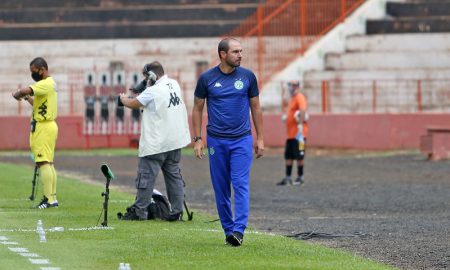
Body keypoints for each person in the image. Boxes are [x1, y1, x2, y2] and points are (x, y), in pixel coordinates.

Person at [192, 37, 264, 246]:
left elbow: (256, 108)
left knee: (240, 184)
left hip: (242, 140)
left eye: (241, 51)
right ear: (223, 54)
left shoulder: (248, 77)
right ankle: (228, 230)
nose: (240, 55)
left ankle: (239, 231)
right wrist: (197, 139)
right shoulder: (206, 79)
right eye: (235, 52)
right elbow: (197, 109)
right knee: (221, 187)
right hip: (216, 142)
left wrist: (260, 138)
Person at [118, 61, 191, 221]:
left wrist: (123, 99)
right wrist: (146, 83)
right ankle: (177, 211)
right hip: (174, 142)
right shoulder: (173, 84)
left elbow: (133, 103)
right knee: (174, 177)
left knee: (146, 177)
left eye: (146, 77)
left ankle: (139, 212)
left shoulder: (152, 91)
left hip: (157, 144)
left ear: (151, 75)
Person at [12, 57, 59, 209]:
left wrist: (18, 93)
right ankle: (52, 198)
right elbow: (38, 105)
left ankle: (48, 200)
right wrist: (26, 98)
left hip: (43, 127)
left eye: (34, 71)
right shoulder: (48, 85)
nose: (33, 74)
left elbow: (27, 89)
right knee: (48, 162)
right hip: (47, 125)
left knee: (42, 162)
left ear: (42, 69)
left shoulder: (45, 83)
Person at [277, 80, 309, 186]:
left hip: (299, 134)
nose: (292, 88)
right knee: (289, 156)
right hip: (290, 134)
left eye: (294, 85)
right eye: (290, 85)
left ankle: (300, 177)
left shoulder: (299, 97)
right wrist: (287, 117)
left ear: (298, 86)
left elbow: (302, 111)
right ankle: (288, 177)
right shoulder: (292, 99)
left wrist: (300, 125)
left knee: (300, 155)